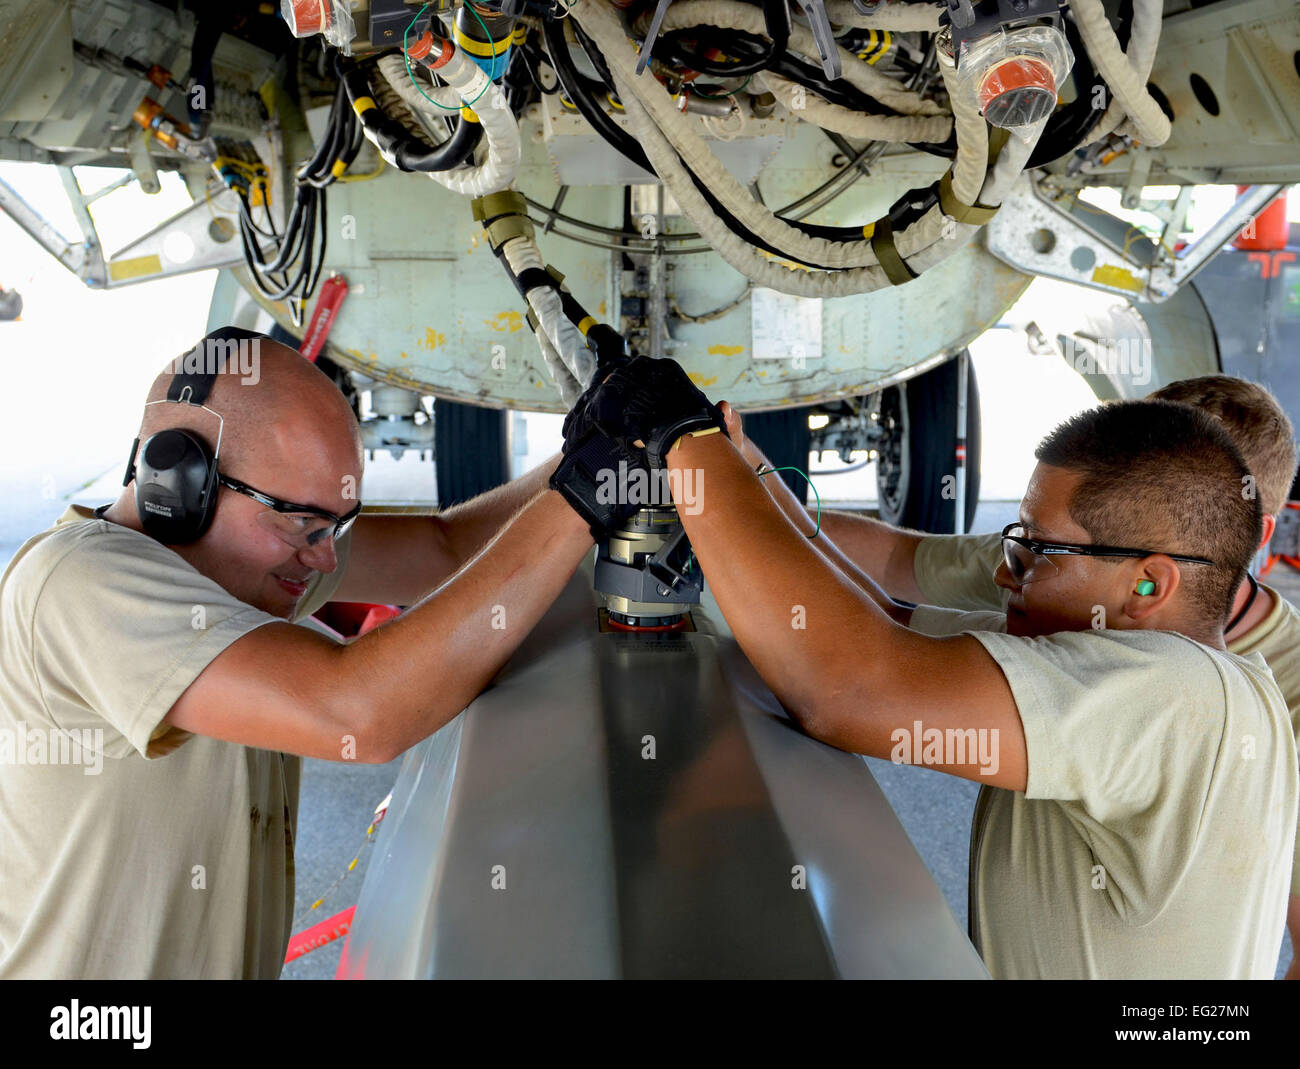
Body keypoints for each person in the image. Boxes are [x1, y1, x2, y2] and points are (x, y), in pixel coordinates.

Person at [564, 356, 1297, 978]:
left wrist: (684, 444)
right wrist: (741, 467)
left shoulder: (1177, 697)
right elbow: (880, 619)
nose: (1007, 573)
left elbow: (847, 685)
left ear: (1149, 583)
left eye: (1035, 550)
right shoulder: (1153, 668)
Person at [0, 326, 641, 979]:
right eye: (304, 526)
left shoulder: (234, 563)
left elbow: (442, 550)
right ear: (179, 485)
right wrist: (582, 497)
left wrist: (593, 447)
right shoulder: (78, 583)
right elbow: (354, 713)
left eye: (337, 525)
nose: (326, 558)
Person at [809, 374, 1300, 979]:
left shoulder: (1194, 687)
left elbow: (846, 688)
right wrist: (745, 484)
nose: (1009, 574)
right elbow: (889, 592)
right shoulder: (1058, 572)